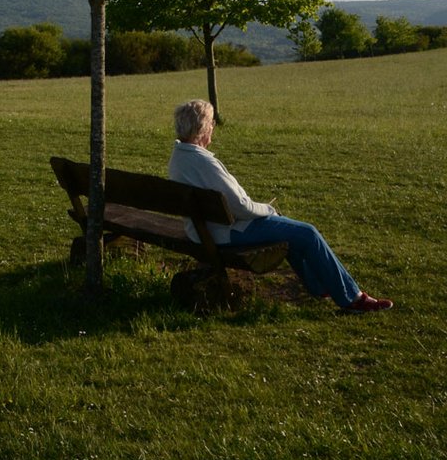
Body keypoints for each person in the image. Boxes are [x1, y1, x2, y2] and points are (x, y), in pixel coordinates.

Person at [167, 98, 393, 314]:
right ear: (203, 128)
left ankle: (319, 285)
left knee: (290, 230)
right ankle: (352, 299)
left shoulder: (179, 157)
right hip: (225, 232)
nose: (213, 127)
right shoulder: (204, 162)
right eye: (212, 123)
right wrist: (268, 209)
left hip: (202, 230)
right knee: (307, 232)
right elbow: (242, 207)